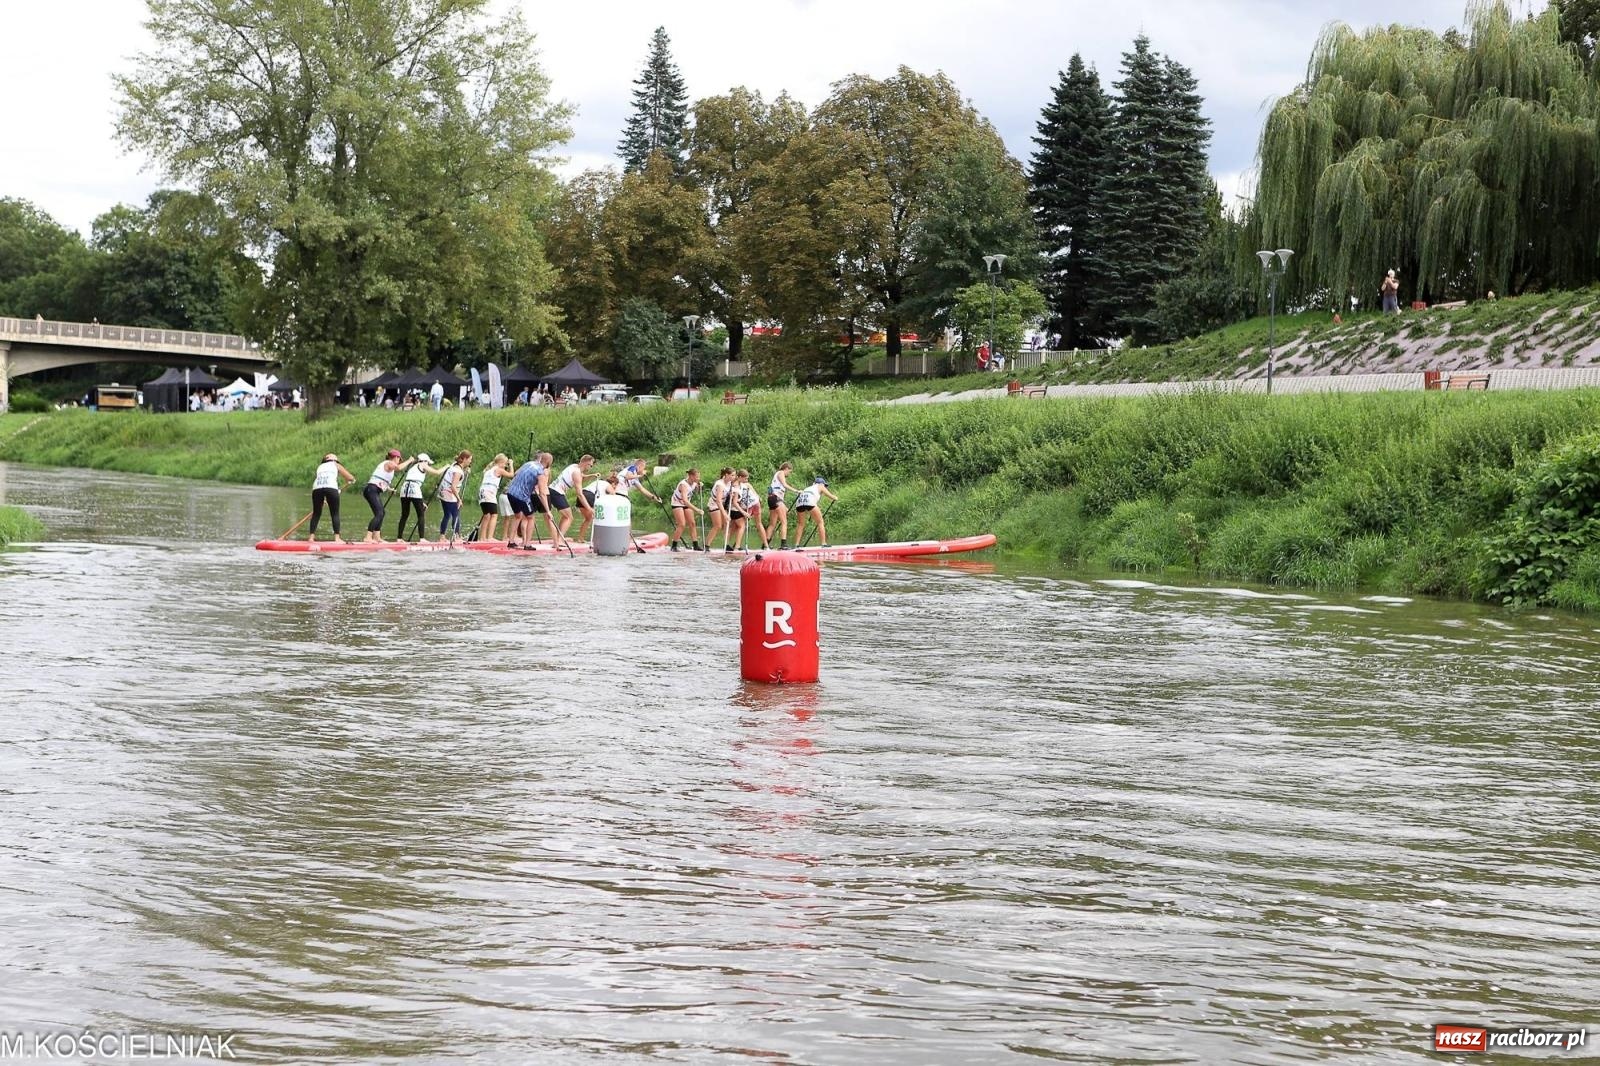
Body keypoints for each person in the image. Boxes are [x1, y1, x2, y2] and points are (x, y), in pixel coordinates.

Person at [362, 449, 416, 543]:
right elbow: (398, 468)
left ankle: (377, 537)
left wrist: (389, 489)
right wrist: (409, 460)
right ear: (396, 457)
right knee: (379, 513)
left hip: (373, 490)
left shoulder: (388, 466)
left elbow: (381, 480)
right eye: (399, 459)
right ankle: (368, 537)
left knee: (382, 513)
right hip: (371, 490)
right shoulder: (389, 463)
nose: (399, 461)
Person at [398, 452, 446, 542]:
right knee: (421, 515)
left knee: (404, 515)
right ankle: (422, 539)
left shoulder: (413, 467)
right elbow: (437, 472)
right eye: (428, 462)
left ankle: (399, 538)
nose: (428, 465)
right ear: (424, 461)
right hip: (414, 488)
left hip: (404, 489)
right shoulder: (423, 464)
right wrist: (446, 467)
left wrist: (421, 503)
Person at [308, 453, 356, 542]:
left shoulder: (320, 467)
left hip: (316, 489)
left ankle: (311, 537)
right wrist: (352, 480)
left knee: (316, 513)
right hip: (331, 488)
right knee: (335, 513)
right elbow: (350, 477)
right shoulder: (336, 464)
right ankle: (337, 538)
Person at [551, 454, 596, 541]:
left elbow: (581, 477)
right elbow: (580, 494)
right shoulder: (577, 473)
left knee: (566, 516)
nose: (591, 467)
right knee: (569, 517)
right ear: (586, 463)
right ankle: (559, 540)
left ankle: (558, 538)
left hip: (553, 490)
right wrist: (589, 509)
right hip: (557, 492)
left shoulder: (574, 466)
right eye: (591, 465)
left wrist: (592, 476)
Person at [475, 454, 515, 542]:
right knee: (494, 515)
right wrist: (511, 464)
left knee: (486, 515)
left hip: (482, 493)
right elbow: (511, 475)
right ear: (501, 462)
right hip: (489, 493)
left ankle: (482, 538)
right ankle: (490, 537)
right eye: (505, 464)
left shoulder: (488, 470)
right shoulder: (499, 470)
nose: (506, 466)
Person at [792, 477, 840, 548]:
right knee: (820, 522)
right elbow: (830, 496)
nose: (825, 487)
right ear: (821, 483)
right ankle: (823, 543)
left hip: (799, 503)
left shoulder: (807, 488)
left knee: (800, 524)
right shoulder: (820, 486)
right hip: (810, 501)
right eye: (824, 485)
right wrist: (835, 498)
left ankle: (796, 544)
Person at [437, 450, 473, 541]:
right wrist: (459, 499)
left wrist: (465, 471)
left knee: (447, 515)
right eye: (469, 459)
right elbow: (453, 487)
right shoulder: (458, 471)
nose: (470, 461)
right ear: (464, 459)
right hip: (449, 494)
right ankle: (456, 537)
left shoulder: (454, 465)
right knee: (455, 515)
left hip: (442, 492)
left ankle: (442, 537)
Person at [725, 470, 760, 553]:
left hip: (735, 509)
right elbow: (734, 502)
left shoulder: (739, 484)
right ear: (740, 477)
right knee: (742, 526)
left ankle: (726, 544)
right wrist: (743, 512)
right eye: (745, 478)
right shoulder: (736, 486)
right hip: (734, 509)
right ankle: (737, 546)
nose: (746, 480)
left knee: (733, 527)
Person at [763, 462, 796, 550]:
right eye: (789, 471)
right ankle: (783, 545)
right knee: (784, 522)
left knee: (772, 524)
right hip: (776, 498)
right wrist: (796, 491)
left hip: (772, 499)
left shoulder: (776, 475)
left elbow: (778, 492)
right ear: (786, 468)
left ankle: (765, 545)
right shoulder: (781, 473)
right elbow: (784, 485)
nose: (789, 474)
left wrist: (784, 507)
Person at [670, 469, 703, 552]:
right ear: (691, 476)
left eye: (699, 477)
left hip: (685, 503)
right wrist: (697, 510)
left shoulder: (694, 483)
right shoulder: (683, 485)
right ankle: (674, 546)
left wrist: (699, 487)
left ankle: (695, 545)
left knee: (692, 523)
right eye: (697, 477)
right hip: (677, 503)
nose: (698, 478)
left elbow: (695, 491)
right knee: (682, 524)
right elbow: (685, 500)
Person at [704, 467, 733, 552]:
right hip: (714, 504)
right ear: (726, 475)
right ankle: (707, 545)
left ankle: (726, 544)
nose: (733, 477)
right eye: (732, 475)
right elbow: (718, 501)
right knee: (717, 526)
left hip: (722, 504)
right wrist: (724, 514)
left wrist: (730, 495)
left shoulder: (729, 483)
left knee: (727, 524)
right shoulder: (720, 484)